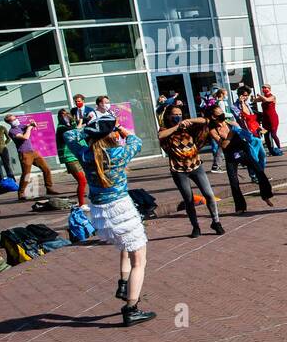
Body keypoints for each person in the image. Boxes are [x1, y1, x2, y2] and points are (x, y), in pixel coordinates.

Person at [66, 114, 156, 326]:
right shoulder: (119, 153)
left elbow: (69, 135)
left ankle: (124, 285)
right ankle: (131, 308)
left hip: (99, 212)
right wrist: (122, 129)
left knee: (125, 246)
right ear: (110, 135)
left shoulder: (85, 154)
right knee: (139, 261)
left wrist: (88, 129)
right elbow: (137, 141)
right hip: (121, 209)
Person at [158, 105, 222, 237]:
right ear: (168, 116)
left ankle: (216, 222)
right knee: (188, 199)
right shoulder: (166, 130)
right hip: (179, 170)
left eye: (180, 114)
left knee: (209, 194)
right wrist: (177, 127)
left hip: (196, 166)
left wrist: (189, 121)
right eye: (175, 114)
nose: (178, 116)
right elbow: (160, 135)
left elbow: (206, 121)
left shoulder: (188, 126)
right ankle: (195, 227)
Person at [205, 104, 275, 213]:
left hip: (243, 152)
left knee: (260, 172)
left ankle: (266, 195)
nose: (222, 114)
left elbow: (245, 135)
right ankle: (240, 207)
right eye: (219, 112)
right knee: (234, 182)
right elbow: (223, 145)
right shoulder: (213, 130)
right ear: (213, 117)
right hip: (230, 157)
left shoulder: (231, 123)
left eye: (222, 111)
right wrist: (231, 135)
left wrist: (246, 133)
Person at [4, 114, 59, 201]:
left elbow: (31, 126)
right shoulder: (12, 131)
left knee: (46, 169)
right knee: (26, 174)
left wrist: (33, 124)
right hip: (24, 154)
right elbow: (25, 137)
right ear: (9, 122)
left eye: (15, 118)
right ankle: (21, 193)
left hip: (33, 152)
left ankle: (49, 188)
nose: (16, 120)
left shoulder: (20, 126)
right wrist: (29, 128)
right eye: (13, 120)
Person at [55, 110, 88, 207]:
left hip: (78, 155)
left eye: (66, 114)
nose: (64, 116)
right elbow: (74, 134)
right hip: (70, 158)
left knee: (85, 180)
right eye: (62, 115)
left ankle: (84, 201)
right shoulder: (61, 128)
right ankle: (81, 204)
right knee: (82, 181)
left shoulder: (71, 125)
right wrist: (81, 125)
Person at [257, 85, 283, 155]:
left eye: (265, 88)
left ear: (269, 89)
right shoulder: (263, 97)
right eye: (263, 88)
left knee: (273, 134)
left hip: (272, 118)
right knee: (266, 134)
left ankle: (280, 148)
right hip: (265, 119)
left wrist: (260, 96)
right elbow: (254, 101)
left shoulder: (272, 97)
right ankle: (271, 151)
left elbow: (266, 100)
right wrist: (252, 98)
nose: (264, 89)